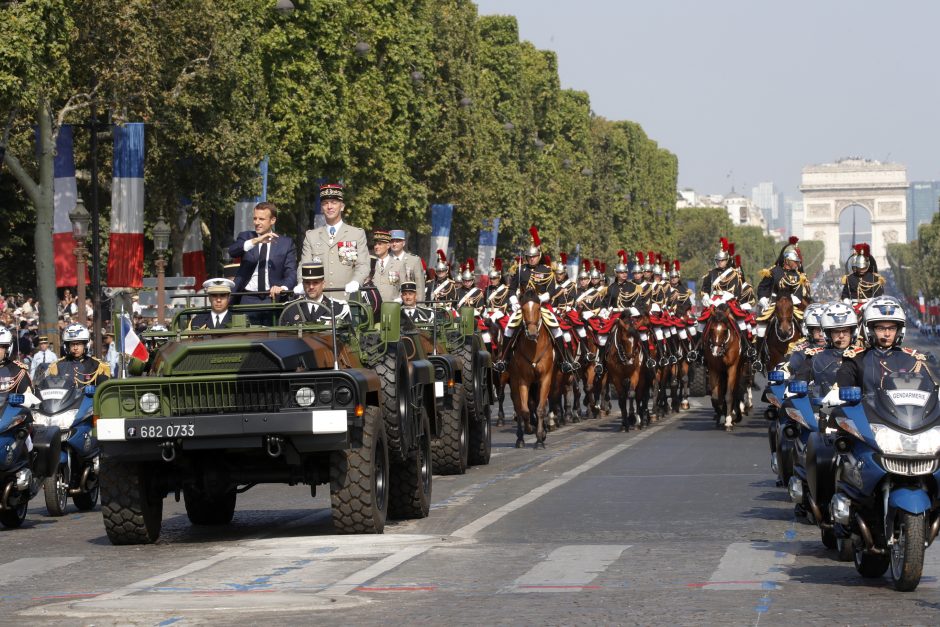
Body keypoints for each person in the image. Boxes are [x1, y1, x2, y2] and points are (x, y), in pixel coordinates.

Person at [493, 226, 578, 373]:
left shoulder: (546, 270)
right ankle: (504, 360)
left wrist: (543, 298)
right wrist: (513, 301)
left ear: (539, 256)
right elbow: (512, 289)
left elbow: (552, 290)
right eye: (529, 257)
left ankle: (564, 361)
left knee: (557, 330)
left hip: (542, 306)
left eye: (534, 257)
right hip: (524, 307)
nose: (531, 259)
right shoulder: (521, 270)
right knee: (508, 329)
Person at [833, 296, 930, 400]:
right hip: (868, 414)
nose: (887, 334)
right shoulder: (856, 359)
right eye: (881, 328)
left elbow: (930, 391)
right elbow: (843, 384)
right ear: (870, 330)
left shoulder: (912, 359)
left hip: (906, 415)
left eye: (892, 328)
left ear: (899, 330)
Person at [299, 183, 368, 293]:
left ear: (342, 206)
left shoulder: (356, 234)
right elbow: (304, 265)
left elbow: (363, 265)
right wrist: (300, 283)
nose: (329, 206)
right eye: (325, 203)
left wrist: (356, 281)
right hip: (319, 299)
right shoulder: (312, 236)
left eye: (334, 203)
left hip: (347, 298)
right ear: (322, 208)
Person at [228, 201, 297, 304]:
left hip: (273, 298)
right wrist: (256, 241)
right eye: (255, 218)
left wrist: (282, 287)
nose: (257, 222)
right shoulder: (246, 237)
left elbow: (291, 272)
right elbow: (232, 251)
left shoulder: (285, 243)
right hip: (248, 297)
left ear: (272, 220)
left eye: (261, 219)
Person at [279, 261, 351, 325]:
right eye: (307, 283)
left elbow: (347, 337)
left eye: (315, 282)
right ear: (303, 284)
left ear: (323, 284)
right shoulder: (291, 308)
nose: (311, 287)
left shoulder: (338, 308)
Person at [46, 323, 110, 385]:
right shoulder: (58, 366)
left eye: (79, 344)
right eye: (72, 344)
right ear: (67, 346)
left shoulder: (96, 365)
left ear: (85, 345)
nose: (75, 348)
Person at [388, 230, 425, 304]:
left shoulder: (414, 260)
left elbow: (419, 285)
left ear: (403, 243)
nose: (394, 244)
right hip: (391, 302)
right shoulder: (386, 260)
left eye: (398, 241)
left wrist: (420, 305)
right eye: (392, 241)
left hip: (409, 302)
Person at [370, 229, 403, 303]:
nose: (376, 247)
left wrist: (400, 299)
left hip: (391, 306)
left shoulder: (399, 265)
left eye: (380, 244)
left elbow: (405, 286)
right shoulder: (370, 264)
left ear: (388, 245)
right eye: (375, 244)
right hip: (373, 306)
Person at [0, 326, 32, 395]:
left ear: (7, 349)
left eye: (1, 347)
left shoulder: (18, 370)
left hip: (7, 405)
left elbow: (29, 398)